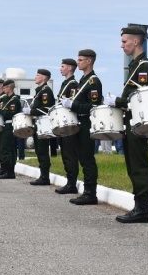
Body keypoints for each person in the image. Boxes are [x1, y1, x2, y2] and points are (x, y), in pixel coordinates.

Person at [105, 26, 148, 223]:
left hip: (138, 121)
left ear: (136, 41)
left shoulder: (144, 66)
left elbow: (140, 98)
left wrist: (117, 102)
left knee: (139, 164)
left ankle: (143, 209)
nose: (122, 45)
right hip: (130, 121)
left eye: (125, 41)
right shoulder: (135, 65)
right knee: (132, 164)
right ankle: (138, 206)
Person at [61, 49, 102, 205]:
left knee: (87, 159)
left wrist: (73, 104)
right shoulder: (83, 81)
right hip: (78, 123)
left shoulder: (93, 81)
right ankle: (86, 191)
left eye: (80, 60)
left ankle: (91, 193)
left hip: (86, 123)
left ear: (89, 61)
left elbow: (94, 106)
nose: (77, 63)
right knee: (82, 158)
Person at [54, 58, 80, 195]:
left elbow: (72, 101)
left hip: (69, 123)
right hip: (62, 124)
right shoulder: (65, 83)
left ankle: (72, 183)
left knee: (70, 154)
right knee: (65, 154)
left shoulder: (73, 84)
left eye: (62, 66)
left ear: (70, 68)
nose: (60, 68)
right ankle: (69, 181)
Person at [27, 69, 56, 186]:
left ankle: (45, 177)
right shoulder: (39, 91)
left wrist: (32, 111)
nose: (35, 77)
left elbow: (47, 108)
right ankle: (42, 175)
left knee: (43, 151)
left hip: (43, 124)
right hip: (38, 124)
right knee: (39, 150)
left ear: (44, 78)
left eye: (38, 75)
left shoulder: (46, 91)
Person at [0, 80, 21, 179]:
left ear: (9, 87)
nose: (3, 89)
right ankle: (7, 170)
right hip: (4, 126)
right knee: (6, 149)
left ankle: (9, 171)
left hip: (10, 125)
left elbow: (11, 114)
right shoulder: (5, 99)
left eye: (4, 87)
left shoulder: (14, 100)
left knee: (6, 149)